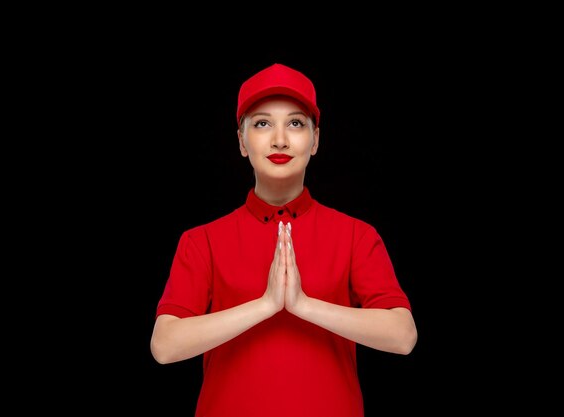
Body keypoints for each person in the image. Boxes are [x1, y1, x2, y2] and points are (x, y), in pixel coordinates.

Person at [150, 63, 418, 417]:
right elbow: (165, 345)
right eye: (262, 123)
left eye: (295, 123)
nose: (280, 139)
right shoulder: (202, 241)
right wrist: (265, 305)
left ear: (316, 140)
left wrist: (303, 304)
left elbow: (402, 336)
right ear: (242, 142)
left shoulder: (356, 235)